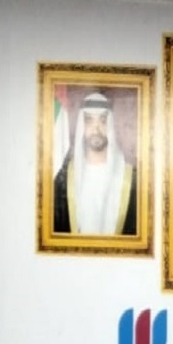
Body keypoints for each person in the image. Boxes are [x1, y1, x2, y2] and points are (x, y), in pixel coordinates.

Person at [53, 93, 137, 236]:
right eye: (89, 121)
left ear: (110, 126)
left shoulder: (129, 178)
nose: (96, 129)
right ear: (82, 126)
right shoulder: (65, 179)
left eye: (103, 121)